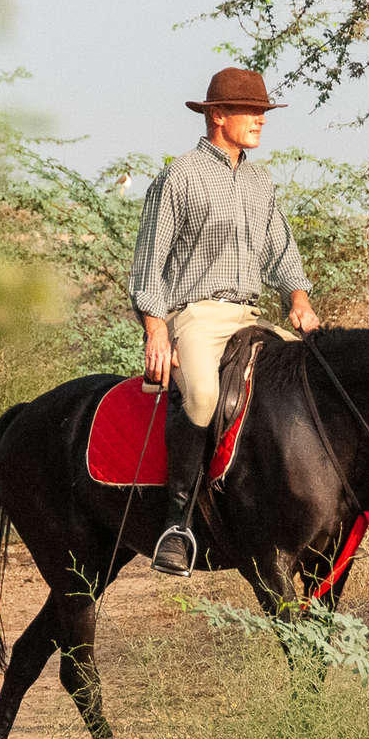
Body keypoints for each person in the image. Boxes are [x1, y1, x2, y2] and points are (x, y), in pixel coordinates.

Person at [128, 67, 322, 576]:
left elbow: (282, 253)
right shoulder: (179, 178)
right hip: (198, 315)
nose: (261, 121)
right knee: (203, 396)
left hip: (251, 315)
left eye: (263, 112)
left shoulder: (261, 182)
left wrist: (298, 298)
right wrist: (156, 328)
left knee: (311, 377)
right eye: (251, 112)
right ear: (219, 116)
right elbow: (149, 266)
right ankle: (178, 524)